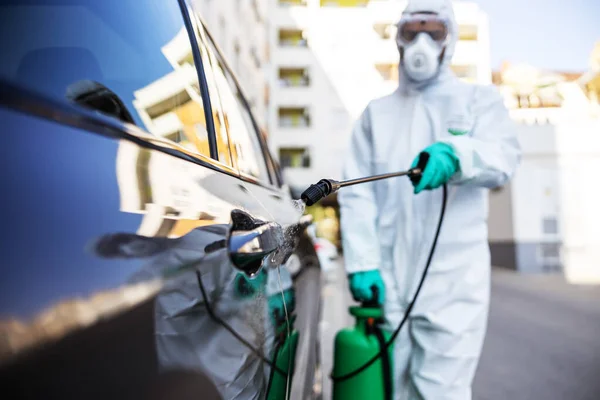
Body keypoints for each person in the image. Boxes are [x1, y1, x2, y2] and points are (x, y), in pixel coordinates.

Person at [338, 0, 521, 399]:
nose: (421, 41)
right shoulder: (375, 114)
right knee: (391, 388)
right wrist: (363, 263)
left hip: (453, 283)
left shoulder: (478, 101)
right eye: (411, 30)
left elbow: (505, 157)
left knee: (441, 391)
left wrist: (459, 155)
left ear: (449, 39)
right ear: (398, 39)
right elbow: (357, 195)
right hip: (387, 280)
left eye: (433, 31)